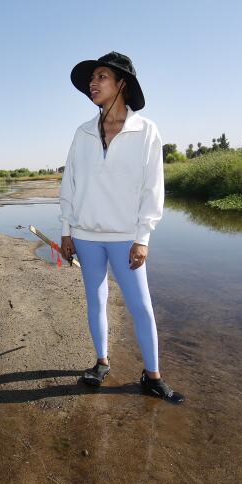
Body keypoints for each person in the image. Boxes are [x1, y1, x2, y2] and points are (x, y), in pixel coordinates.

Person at [59, 51, 184, 403]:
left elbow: (152, 188)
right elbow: (69, 183)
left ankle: (152, 375)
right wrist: (67, 231)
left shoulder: (146, 131)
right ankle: (101, 362)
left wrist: (142, 238)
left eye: (101, 77)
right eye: (92, 78)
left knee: (141, 305)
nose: (92, 83)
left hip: (126, 237)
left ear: (122, 84)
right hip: (85, 235)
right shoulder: (82, 132)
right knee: (95, 300)